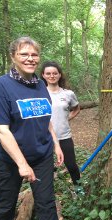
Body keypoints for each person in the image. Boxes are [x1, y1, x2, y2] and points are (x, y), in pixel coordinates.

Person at [0, 37, 63, 220]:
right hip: (7, 158)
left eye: (34, 55)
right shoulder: (0, 86)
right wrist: (21, 163)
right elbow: (1, 129)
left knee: (46, 200)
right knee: (6, 201)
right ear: (13, 57)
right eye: (24, 54)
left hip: (41, 154)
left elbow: (45, 116)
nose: (30, 58)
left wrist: (56, 144)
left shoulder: (40, 84)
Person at [40, 61, 82, 192]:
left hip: (64, 136)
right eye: (48, 73)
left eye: (54, 73)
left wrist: (66, 118)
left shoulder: (68, 94)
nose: (51, 76)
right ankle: (47, 194)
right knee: (45, 169)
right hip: (43, 138)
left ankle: (79, 190)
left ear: (59, 75)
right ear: (43, 75)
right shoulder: (39, 94)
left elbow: (76, 108)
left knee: (72, 166)